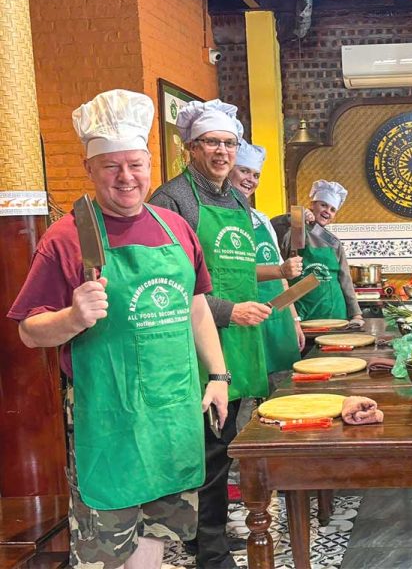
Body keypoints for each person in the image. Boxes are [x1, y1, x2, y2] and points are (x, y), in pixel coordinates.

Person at [7, 89, 229, 569]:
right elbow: (28, 331)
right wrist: (72, 318)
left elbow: (195, 306)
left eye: (135, 164)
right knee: (106, 546)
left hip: (171, 411)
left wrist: (217, 375)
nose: (126, 177)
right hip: (109, 417)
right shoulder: (67, 237)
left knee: (158, 532)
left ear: (150, 165)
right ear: (90, 169)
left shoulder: (175, 228)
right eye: (111, 167)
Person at [149, 99, 271, 568]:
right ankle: (209, 549)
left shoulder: (237, 200)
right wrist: (229, 310)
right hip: (194, 345)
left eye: (229, 143)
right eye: (211, 143)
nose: (222, 152)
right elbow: (169, 285)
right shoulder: (172, 200)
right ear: (190, 149)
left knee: (222, 448)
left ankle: (208, 537)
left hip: (236, 341)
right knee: (206, 451)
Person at [229, 140, 305, 391]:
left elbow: (282, 278)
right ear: (229, 170)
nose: (250, 179)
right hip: (246, 316)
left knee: (286, 390)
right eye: (244, 171)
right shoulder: (223, 219)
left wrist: (294, 320)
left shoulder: (261, 219)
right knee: (249, 392)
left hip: (279, 318)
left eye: (256, 175)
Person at [272, 180, 363, 325]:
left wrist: (356, 314)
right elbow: (272, 228)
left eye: (332, 209)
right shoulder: (295, 231)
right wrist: (295, 217)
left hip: (336, 314)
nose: (327, 211)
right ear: (312, 205)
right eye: (323, 205)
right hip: (302, 313)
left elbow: (345, 279)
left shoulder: (333, 241)